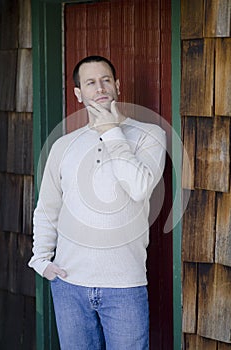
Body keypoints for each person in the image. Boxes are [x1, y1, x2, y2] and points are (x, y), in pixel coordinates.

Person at [29, 55, 166, 350]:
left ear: (117, 86)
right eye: (90, 82)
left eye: (105, 80)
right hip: (69, 285)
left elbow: (139, 187)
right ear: (79, 94)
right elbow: (49, 207)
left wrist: (111, 131)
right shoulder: (64, 145)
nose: (100, 87)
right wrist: (41, 259)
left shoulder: (150, 135)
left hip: (124, 285)